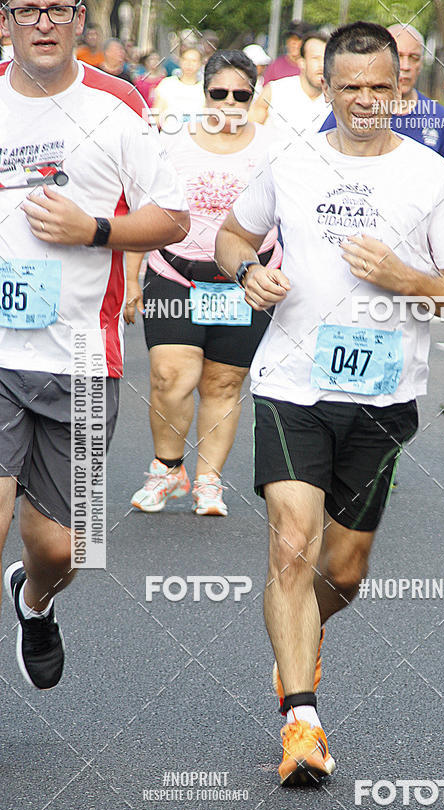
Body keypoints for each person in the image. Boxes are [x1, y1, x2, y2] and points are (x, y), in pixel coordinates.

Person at [215, 21, 444, 785]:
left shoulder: (432, 178)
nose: (366, 101)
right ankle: (302, 720)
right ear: (325, 88)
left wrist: (409, 280)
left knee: (346, 571)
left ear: (402, 86)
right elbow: (234, 236)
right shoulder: (291, 163)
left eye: (380, 86)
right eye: (349, 87)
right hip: (291, 386)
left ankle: (303, 632)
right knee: (290, 547)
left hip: (383, 395)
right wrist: (245, 274)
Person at [0, 0, 189, 690]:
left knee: (59, 548)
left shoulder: (118, 104)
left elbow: (172, 217)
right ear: (6, 19)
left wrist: (94, 231)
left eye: (57, 8)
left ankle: (36, 599)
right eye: (28, 8)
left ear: (80, 19)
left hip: (80, 358)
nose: (42, 22)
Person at [126, 50, 281, 517]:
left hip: (245, 281)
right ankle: (167, 469)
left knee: (223, 382)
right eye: (220, 93)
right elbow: (143, 210)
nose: (230, 104)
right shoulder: (170, 141)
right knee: (171, 376)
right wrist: (132, 276)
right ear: (204, 93)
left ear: (254, 97)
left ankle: (209, 480)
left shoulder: (277, 147)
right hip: (175, 272)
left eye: (242, 95)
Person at [319, 23, 444, 163]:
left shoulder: (437, 115)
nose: (405, 66)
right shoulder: (347, 113)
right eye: (399, 56)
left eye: (413, 57)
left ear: (421, 63)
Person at [250, 32, 328, 141]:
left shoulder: (338, 101)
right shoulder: (274, 91)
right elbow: (248, 132)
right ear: (302, 62)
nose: (322, 65)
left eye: (326, 59)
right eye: (316, 58)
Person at [153, 45, 204, 123]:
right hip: (169, 132)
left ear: (200, 63)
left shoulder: (205, 87)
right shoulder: (167, 84)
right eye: (185, 60)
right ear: (180, 61)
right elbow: (157, 114)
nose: (189, 64)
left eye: (194, 61)